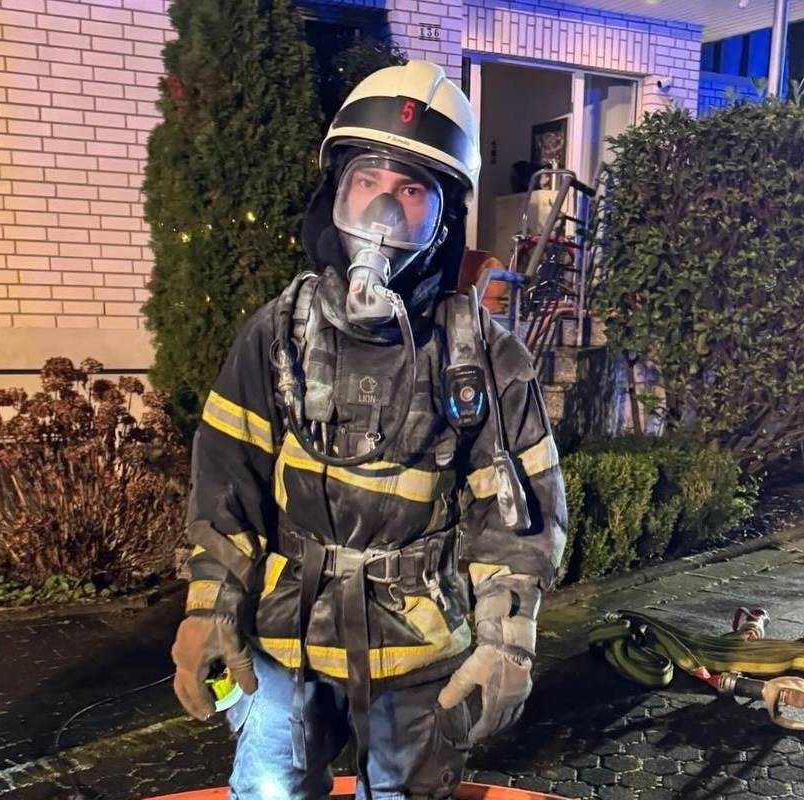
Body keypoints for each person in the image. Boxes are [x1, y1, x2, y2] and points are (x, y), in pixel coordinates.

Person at [170, 60, 567, 800]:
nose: (383, 211)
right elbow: (227, 486)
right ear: (336, 195)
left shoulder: (480, 356)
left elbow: (517, 516)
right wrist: (209, 607)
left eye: (411, 192)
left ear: (443, 220)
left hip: (420, 650)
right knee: (269, 789)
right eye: (367, 182)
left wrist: (508, 637)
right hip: (286, 640)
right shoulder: (278, 336)